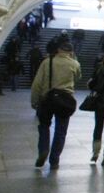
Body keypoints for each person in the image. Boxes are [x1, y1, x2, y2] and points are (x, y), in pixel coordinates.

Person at [29, 37, 80, 170]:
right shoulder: (74, 64)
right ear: (71, 52)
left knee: (44, 126)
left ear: (58, 50)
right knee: (61, 130)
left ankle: (43, 150)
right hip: (65, 99)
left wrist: (34, 101)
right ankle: (55, 159)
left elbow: (37, 83)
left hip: (48, 98)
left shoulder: (47, 62)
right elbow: (78, 77)